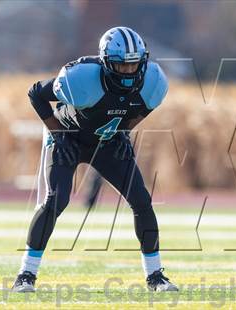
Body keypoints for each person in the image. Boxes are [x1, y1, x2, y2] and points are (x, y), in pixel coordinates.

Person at [12, 26, 178, 292]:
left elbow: (140, 110)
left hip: (107, 142)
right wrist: (59, 135)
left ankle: (155, 276)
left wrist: (122, 132)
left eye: (134, 65)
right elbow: (36, 93)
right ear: (105, 63)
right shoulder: (81, 78)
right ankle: (26, 275)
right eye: (121, 66)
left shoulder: (153, 83)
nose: (129, 72)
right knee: (56, 200)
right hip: (69, 139)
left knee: (141, 200)